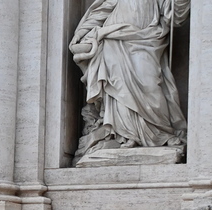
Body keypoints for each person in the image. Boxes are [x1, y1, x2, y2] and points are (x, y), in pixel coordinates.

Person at [69, 0, 190, 159]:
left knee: (150, 85)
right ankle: (125, 136)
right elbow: (102, 11)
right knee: (118, 88)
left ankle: (160, 134)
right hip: (114, 41)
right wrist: (80, 33)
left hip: (147, 38)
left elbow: (174, 15)